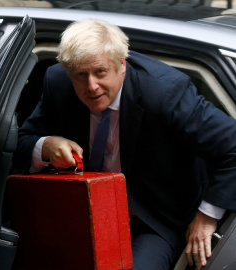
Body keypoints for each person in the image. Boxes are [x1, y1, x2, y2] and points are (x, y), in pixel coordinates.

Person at [13, 19, 236, 270]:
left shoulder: (165, 93)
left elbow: (233, 146)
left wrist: (206, 218)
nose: (91, 86)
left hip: (153, 220)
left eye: (100, 72)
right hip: (80, 214)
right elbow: (19, 142)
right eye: (81, 75)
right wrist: (46, 145)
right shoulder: (58, 82)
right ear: (68, 72)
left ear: (122, 65)